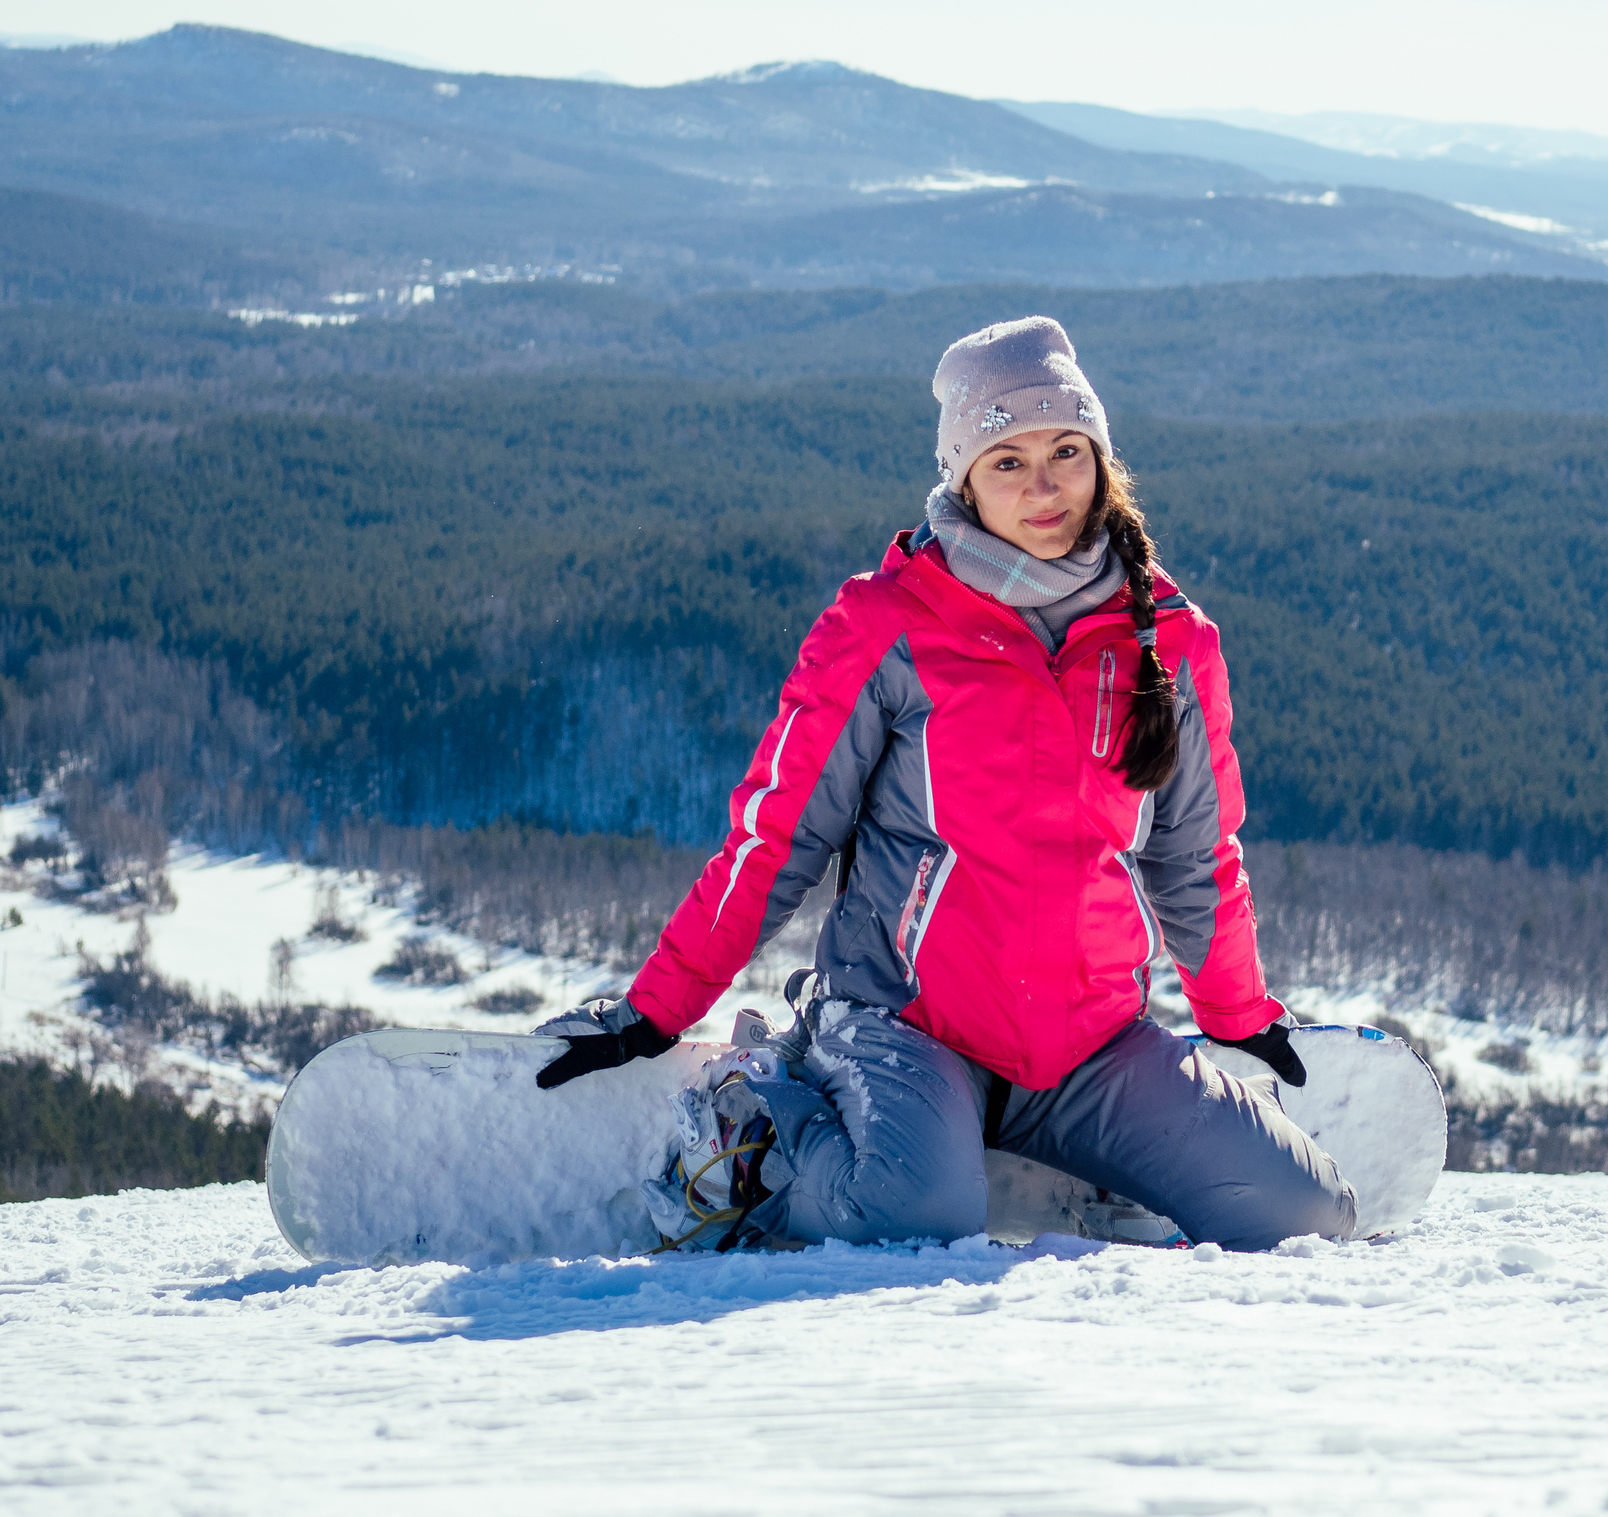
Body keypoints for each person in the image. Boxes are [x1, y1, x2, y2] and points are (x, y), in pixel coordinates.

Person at [533, 316, 1356, 1253]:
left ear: (1102, 461)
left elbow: (1193, 855)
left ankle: (1075, 1165)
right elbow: (777, 837)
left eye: (1066, 451)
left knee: (1307, 1219)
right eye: (1007, 461)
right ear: (962, 478)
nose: (1044, 486)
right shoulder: (885, 624)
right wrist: (660, 1006)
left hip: (1090, 1048)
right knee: (911, 1216)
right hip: (908, 1027)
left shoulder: (1169, 639)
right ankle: (763, 1119)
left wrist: (1236, 1013)